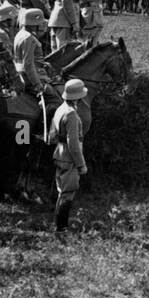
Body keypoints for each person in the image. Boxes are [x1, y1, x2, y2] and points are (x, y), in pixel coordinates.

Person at [49, 79, 88, 233]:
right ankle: (61, 229)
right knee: (67, 193)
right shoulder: (71, 114)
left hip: (59, 153)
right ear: (78, 97)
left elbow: (52, 135)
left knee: (62, 191)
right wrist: (81, 165)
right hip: (69, 157)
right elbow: (73, 144)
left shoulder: (60, 108)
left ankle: (59, 226)